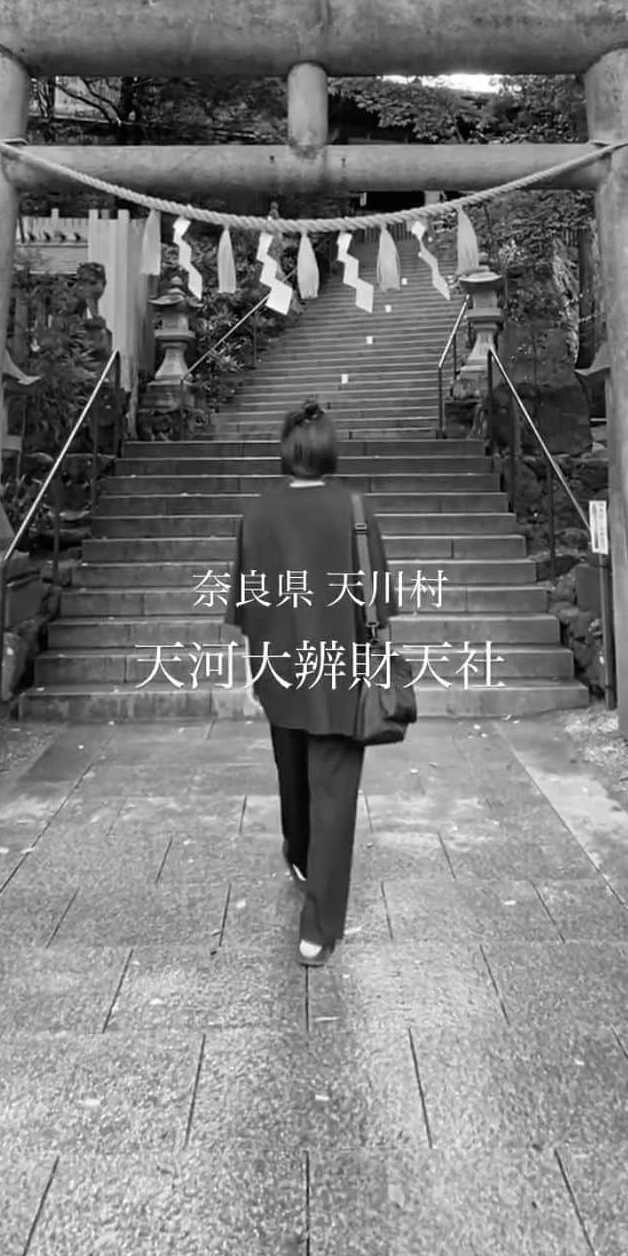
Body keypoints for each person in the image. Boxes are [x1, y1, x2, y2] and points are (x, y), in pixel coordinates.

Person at [226, 399, 395, 967]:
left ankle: (298, 856)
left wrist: (255, 672)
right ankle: (317, 927)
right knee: (334, 794)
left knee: (290, 771)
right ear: (328, 450)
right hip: (342, 673)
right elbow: (379, 602)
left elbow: (245, 606)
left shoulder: (257, 515)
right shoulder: (354, 507)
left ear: (285, 449)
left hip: (279, 672)